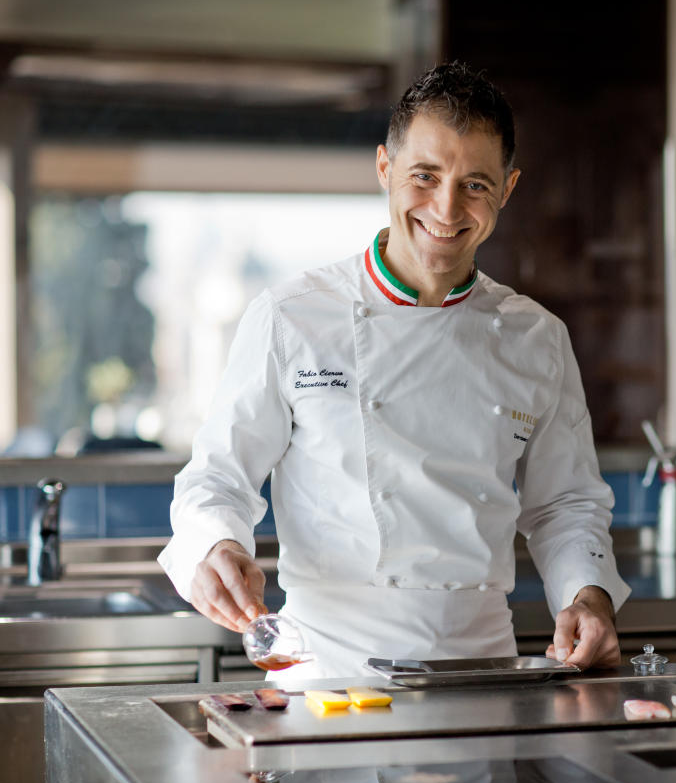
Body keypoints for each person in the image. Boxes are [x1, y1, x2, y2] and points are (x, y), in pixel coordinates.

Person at [158, 61, 630, 678]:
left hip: (479, 673)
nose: (446, 207)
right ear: (385, 168)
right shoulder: (291, 318)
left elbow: (564, 503)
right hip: (327, 673)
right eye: (425, 176)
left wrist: (586, 595)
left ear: (508, 189)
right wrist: (218, 545)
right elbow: (217, 480)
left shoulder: (536, 336)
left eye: (476, 185)